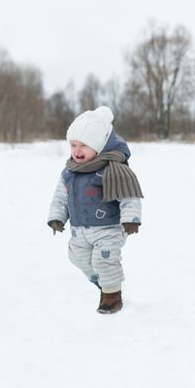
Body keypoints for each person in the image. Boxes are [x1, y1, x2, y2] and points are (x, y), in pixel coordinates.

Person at [47, 106, 144, 314]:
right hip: (79, 229)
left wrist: (131, 218)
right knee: (77, 257)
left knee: (104, 260)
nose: (77, 150)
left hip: (108, 227)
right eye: (73, 145)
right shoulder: (69, 172)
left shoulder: (112, 169)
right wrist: (57, 217)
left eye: (84, 145)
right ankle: (106, 283)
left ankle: (112, 298)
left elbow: (129, 195)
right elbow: (60, 196)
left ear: (99, 146)